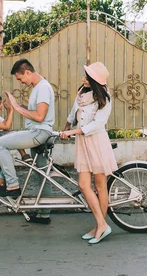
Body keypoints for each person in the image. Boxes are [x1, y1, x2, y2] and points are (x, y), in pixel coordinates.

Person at [0, 59, 55, 224]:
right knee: (42, 174)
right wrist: (17, 106)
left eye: (20, 79)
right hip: (38, 132)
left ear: (27, 72)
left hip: (38, 132)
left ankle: (12, 186)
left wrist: (18, 108)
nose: (20, 82)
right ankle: (44, 214)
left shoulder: (42, 88)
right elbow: (36, 111)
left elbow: (40, 117)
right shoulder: (38, 88)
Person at [60, 62, 117, 244]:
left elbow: (98, 124)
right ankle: (101, 224)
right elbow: (74, 110)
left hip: (96, 142)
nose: (83, 79)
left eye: (86, 77)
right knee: (84, 184)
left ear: (94, 81)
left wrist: (74, 132)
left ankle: (100, 225)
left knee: (100, 186)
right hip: (82, 142)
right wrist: (67, 127)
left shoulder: (104, 98)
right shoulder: (82, 93)